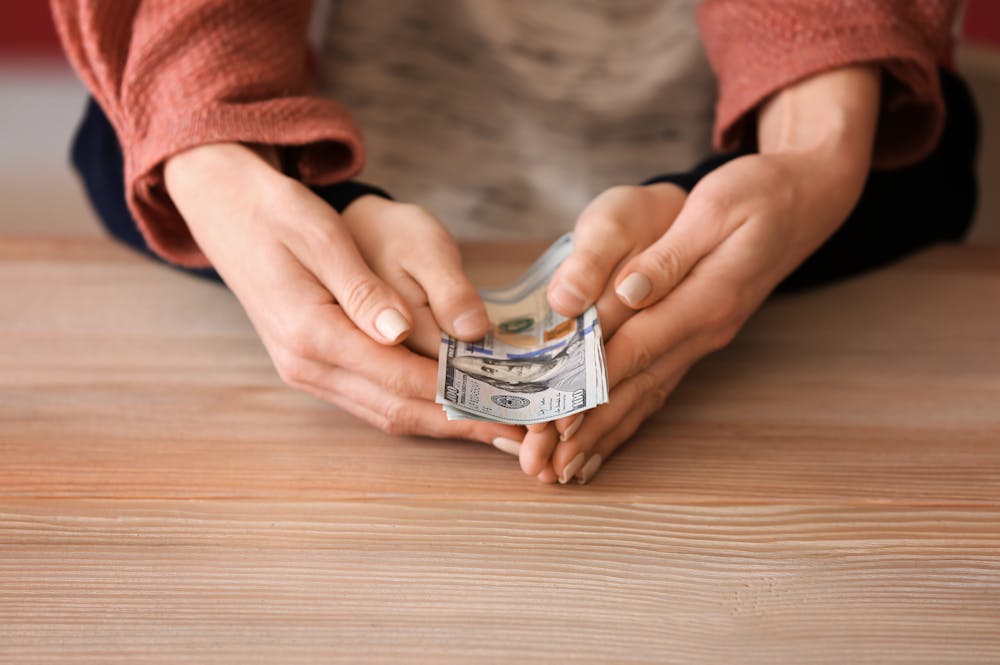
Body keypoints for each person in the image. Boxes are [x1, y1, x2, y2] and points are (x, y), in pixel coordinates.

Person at [52, 1, 978, 485]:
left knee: (923, 148)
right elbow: (182, 60)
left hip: (746, 145)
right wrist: (221, 166)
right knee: (123, 149)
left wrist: (818, 152)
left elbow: (843, 87)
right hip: (329, 143)